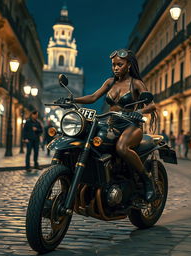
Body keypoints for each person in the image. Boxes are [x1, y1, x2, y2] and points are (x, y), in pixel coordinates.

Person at [73, 49, 157, 202]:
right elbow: (93, 97)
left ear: (129, 65)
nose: (116, 68)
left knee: (121, 147)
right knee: (90, 142)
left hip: (132, 125)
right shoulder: (110, 82)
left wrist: (139, 111)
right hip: (111, 124)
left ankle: (147, 180)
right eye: (114, 65)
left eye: (120, 64)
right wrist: (73, 100)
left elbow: (152, 106)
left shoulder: (136, 83)